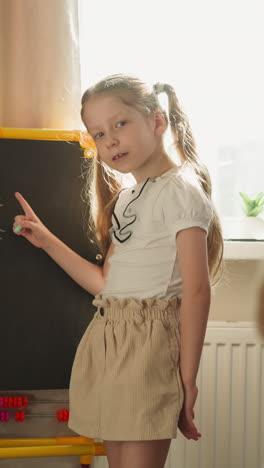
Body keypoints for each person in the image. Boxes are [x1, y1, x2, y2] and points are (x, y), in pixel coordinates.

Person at [13, 73, 224, 468]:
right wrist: (47, 241)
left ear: (158, 121)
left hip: (147, 347)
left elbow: (197, 292)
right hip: (110, 340)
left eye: (120, 124)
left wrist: (187, 380)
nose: (109, 140)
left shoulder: (180, 191)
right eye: (98, 133)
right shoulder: (127, 199)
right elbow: (105, 284)